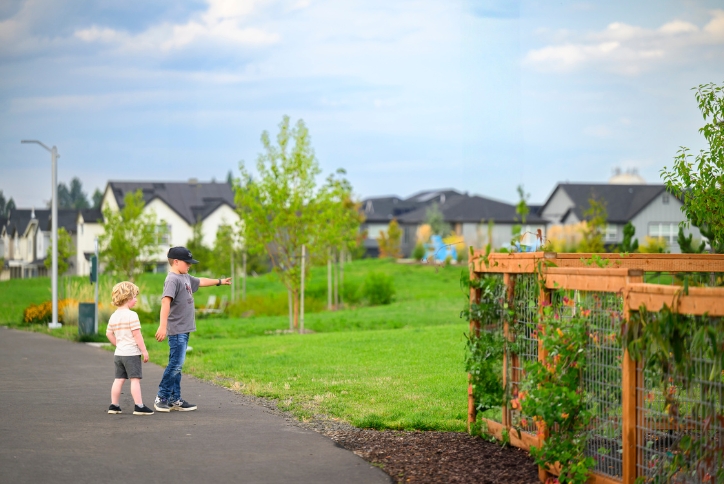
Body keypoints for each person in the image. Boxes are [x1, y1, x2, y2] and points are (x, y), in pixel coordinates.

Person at [154, 246, 231, 412]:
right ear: (176, 262)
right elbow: (165, 302)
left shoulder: (185, 277)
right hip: (176, 330)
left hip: (185, 329)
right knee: (175, 364)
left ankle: (175, 399)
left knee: (178, 365)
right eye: (187, 262)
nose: (189, 265)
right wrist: (162, 325)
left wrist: (219, 282)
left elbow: (200, 281)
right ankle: (162, 396)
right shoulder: (172, 279)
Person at [106, 281, 154, 416]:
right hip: (131, 353)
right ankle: (139, 406)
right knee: (135, 379)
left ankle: (114, 405)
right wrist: (144, 351)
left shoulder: (113, 316)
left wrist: (118, 344)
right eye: (134, 297)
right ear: (127, 298)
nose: (136, 300)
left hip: (119, 354)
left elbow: (108, 333)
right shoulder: (132, 315)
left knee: (119, 379)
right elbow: (137, 335)